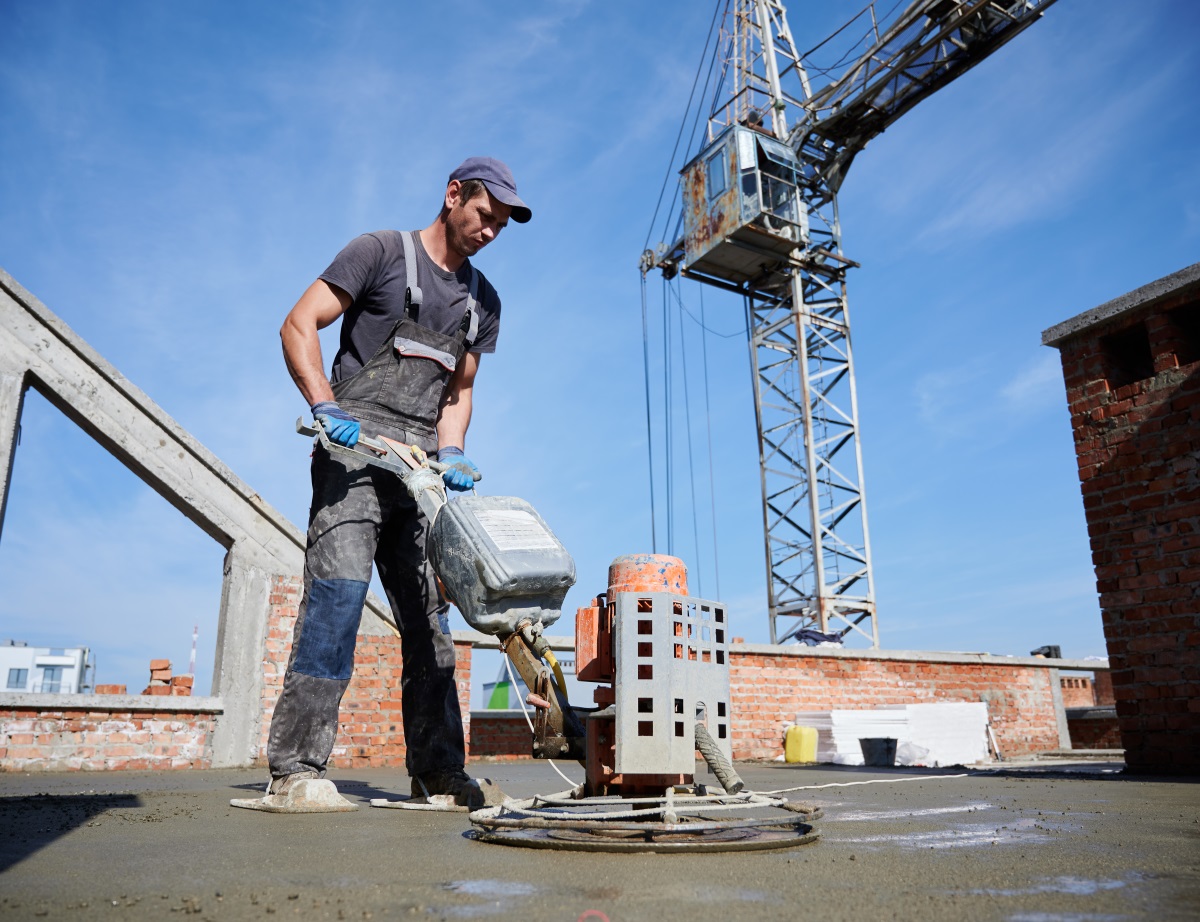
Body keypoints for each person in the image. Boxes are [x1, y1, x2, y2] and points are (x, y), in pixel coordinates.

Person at [267, 157, 530, 807]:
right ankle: (295, 770)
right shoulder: (380, 253)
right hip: (353, 456)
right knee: (339, 598)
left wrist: (454, 451)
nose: (490, 231)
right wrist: (326, 407)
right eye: (483, 215)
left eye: (501, 224)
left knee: (429, 621)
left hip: (419, 477)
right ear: (452, 195)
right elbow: (298, 323)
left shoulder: (481, 303)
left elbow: (458, 392)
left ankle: (438, 771)